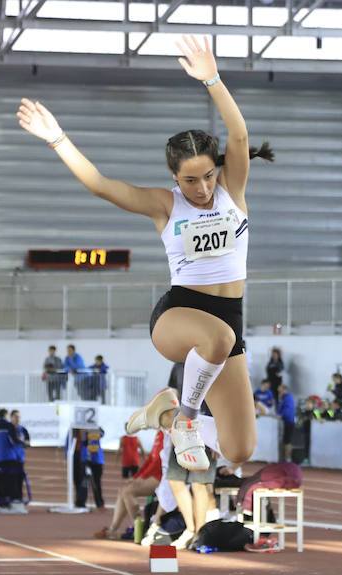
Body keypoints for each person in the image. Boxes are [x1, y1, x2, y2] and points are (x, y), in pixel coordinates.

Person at [19, 35, 273, 471]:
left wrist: (212, 78)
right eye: (190, 181)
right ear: (174, 176)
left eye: (209, 176)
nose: (203, 188)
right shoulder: (165, 205)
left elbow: (239, 132)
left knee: (239, 450)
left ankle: (167, 413)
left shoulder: (233, 191)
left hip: (230, 318)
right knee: (219, 338)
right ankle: (188, 421)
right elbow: (100, 184)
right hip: (180, 314)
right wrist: (56, 138)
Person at [94, 430, 163, 540]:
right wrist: (136, 477)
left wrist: (142, 477)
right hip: (154, 475)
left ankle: (139, 527)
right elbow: (151, 459)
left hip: (162, 478)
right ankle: (113, 529)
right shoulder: (160, 433)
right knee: (123, 490)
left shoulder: (167, 434)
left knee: (128, 491)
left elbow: (158, 461)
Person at [0, 408, 30, 514]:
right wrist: (23, 443)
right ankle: (15, 504)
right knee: (12, 481)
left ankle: (1, 503)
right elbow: (13, 440)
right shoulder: (9, 426)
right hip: (10, 458)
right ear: (6, 415)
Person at [277, 384, 296, 462]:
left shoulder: (288, 398)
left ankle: (288, 458)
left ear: (284, 389)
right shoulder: (284, 398)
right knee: (286, 440)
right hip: (286, 421)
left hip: (289, 421)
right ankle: (286, 458)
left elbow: (287, 410)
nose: (279, 391)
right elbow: (280, 410)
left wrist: (281, 415)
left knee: (287, 440)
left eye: (280, 389)